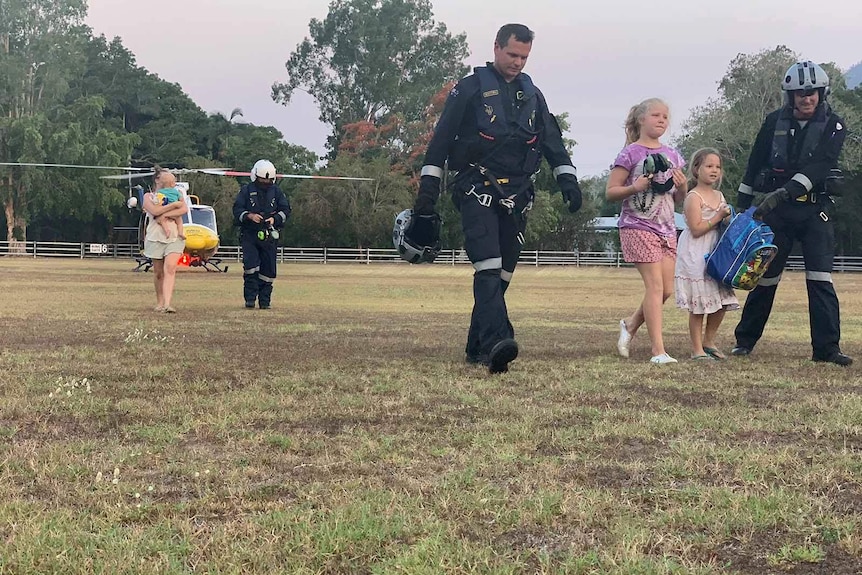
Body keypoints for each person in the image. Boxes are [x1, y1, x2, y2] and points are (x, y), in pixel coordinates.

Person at [413, 23, 583, 374]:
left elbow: (550, 138)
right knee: (487, 266)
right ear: (496, 48)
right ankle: (496, 343)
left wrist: (568, 179)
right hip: (477, 189)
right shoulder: (470, 88)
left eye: (524, 56)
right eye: (512, 54)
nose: (518, 62)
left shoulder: (532, 93)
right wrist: (426, 197)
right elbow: (441, 141)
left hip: (518, 195)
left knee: (502, 274)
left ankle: (477, 346)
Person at [732, 61, 851, 366]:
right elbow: (755, 161)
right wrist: (742, 206)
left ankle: (826, 349)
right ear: (790, 96)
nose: (806, 97)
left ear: (821, 93)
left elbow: (820, 166)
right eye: (799, 93)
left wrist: (783, 193)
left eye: (811, 92)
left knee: (821, 279)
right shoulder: (773, 122)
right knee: (764, 278)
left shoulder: (835, 126)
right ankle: (744, 341)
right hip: (777, 215)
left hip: (814, 211)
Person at [606, 98, 688, 364]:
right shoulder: (629, 153)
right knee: (654, 286)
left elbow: (677, 200)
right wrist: (634, 188)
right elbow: (611, 192)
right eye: (656, 115)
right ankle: (658, 351)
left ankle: (630, 325)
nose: (662, 120)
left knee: (665, 290)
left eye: (665, 116)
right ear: (642, 119)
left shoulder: (673, 155)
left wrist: (683, 186)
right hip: (637, 226)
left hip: (666, 229)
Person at [674, 148, 739, 360]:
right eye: (709, 166)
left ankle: (709, 340)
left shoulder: (719, 195)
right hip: (696, 253)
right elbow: (696, 228)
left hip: (716, 253)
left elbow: (724, 224)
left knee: (721, 300)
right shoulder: (693, 197)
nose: (714, 171)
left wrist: (728, 220)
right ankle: (697, 349)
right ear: (696, 169)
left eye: (718, 167)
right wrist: (719, 216)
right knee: (699, 306)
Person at [232, 159, 291, 309]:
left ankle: (265, 301)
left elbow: (286, 210)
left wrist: (274, 219)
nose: (265, 182)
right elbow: (237, 210)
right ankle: (250, 300)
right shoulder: (246, 190)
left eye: (268, 180)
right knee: (251, 267)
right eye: (262, 180)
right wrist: (249, 216)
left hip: (270, 235)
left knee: (269, 270)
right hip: (250, 234)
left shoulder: (277, 192)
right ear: (255, 176)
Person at [142, 168, 188, 313]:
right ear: (157, 180)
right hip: (155, 236)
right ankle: (160, 302)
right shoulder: (148, 196)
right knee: (158, 272)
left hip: (174, 236)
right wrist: (173, 206)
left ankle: (167, 304)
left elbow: (184, 209)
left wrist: (165, 215)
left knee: (170, 267)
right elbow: (154, 211)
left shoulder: (178, 193)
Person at [152, 171, 185, 240]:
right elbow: (181, 200)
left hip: (165, 209)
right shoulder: (176, 191)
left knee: (162, 221)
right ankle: (181, 232)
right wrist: (179, 201)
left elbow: (157, 200)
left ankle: (167, 231)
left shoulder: (160, 192)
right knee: (180, 222)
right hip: (175, 211)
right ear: (173, 184)